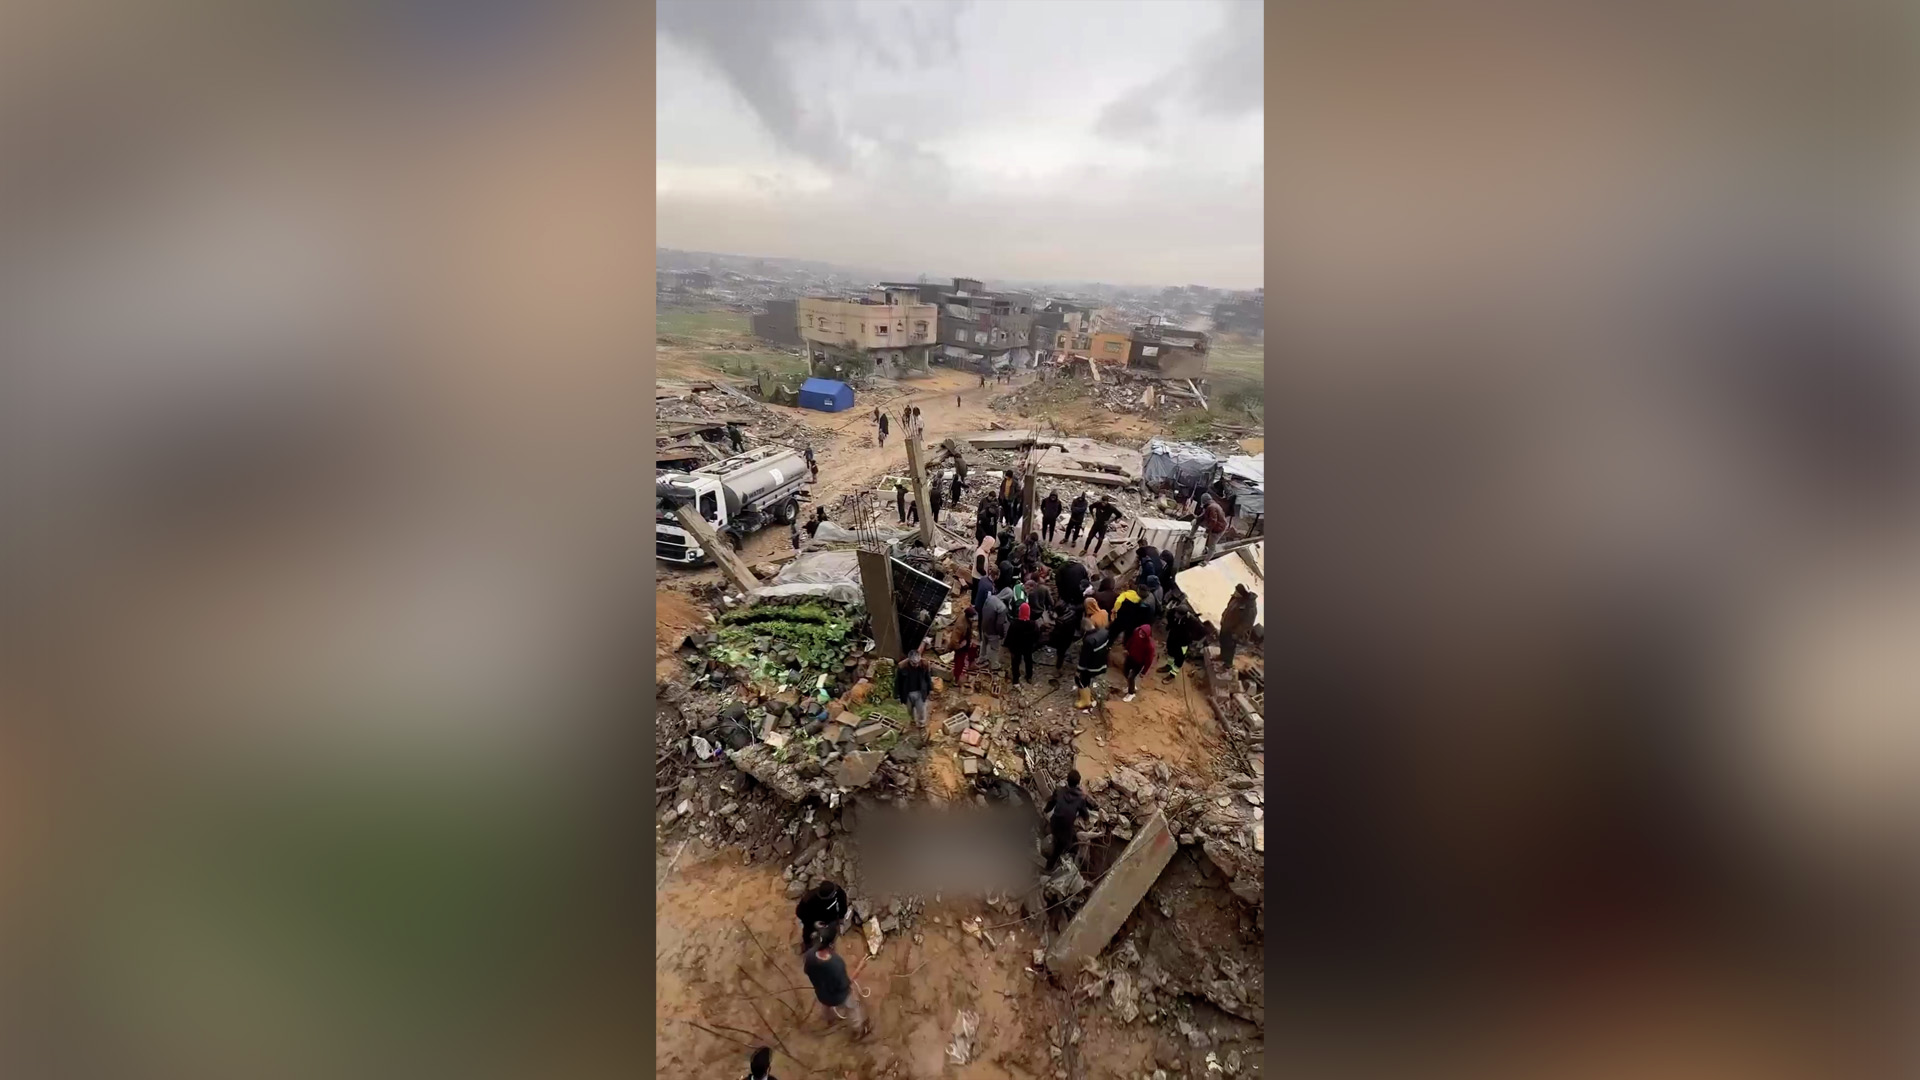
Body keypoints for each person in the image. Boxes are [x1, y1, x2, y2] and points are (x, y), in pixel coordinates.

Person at [803, 930, 867, 1037]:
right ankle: (858, 1031)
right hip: (840, 997)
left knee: (826, 1006)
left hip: (821, 994)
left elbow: (807, 971)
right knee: (853, 1009)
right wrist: (860, 967)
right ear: (831, 945)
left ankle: (829, 1020)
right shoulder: (836, 964)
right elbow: (846, 984)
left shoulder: (810, 955)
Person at [796, 879, 854, 952]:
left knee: (831, 931)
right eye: (833, 894)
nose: (835, 893)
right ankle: (808, 945)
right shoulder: (809, 899)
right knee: (808, 932)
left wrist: (841, 918)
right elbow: (800, 913)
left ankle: (827, 944)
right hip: (813, 918)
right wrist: (813, 924)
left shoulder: (838, 892)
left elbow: (842, 905)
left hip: (831, 918)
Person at [1219, 583, 1258, 666]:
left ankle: (1227, 664)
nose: (1235, 592)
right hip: (1226, 626)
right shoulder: (1236, 598)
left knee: (1229, 647)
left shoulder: (1250, 607)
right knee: (1223, 642)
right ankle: (1221, 656)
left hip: (1233, 631)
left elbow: (1246, 624)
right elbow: (1228, 608)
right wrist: (1223, 618)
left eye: (1237, 591)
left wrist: (1235, 633)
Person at [1075, 623, 1109, 710]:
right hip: (1103, 662)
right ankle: (1088, 693)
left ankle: (1085, 701)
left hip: (1092, 667)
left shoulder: (1089, 640)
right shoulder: (1104, 632)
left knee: (1080, 680)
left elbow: (1084, 659)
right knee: (1087, 679)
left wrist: (1078, 670)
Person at [895, 648, 933, 726]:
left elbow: (928, 678)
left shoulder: (925, 665)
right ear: (909, 660)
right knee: (909, 710)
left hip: (920, 692)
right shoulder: (902, 667)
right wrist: (897, 695)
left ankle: (921, 723)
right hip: (907, 692)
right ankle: (911, 721)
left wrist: (930, 689)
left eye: (917, 663)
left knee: (921, 709)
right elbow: (898, 682)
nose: (916, 665)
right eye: (913, 663)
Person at [1006, 602, 1040, 685]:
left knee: (1015, 663)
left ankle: (1015, 679)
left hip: (1016, 648)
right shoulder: (1033, 624)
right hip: (1028, 647)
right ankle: (1029, 676)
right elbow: (1037, 637)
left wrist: (1009, 647)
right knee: (1028, 661)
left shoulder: (1014, 624)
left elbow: (1009, 637)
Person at [1122, 622, 1156, 701]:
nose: (1141, 634)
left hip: (1139, 663)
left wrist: (1144, 671)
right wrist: (1127, 648)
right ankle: (1131, 685)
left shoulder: (1150, 646)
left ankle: (1131, 693)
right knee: (1125, 672)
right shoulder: (1136, 631)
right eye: (1141, 632)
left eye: (1143, 634)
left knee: (1131, 677)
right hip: (1130, 657)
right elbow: (1131, 640)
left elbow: (1149, 660)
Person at [980, 585, 1009, 672]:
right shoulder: (1002, 608)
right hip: (992, 631)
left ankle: (982, 658)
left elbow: (983, 609)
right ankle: (994, 665)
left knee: (983, 643)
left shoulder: (991, 598)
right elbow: (999, 624)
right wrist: (1001, 634)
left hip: (984, 626)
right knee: (995, 649)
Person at [948, 602, 977, 686]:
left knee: (973, 648)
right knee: (959, 662)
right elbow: (954, 640)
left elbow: (970, 628)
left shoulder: (967, 619)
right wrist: (959, 646)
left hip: (966, 639)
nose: (974, 619)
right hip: (960, 644)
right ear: (968, 617)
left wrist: (970, 639)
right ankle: (956, 679)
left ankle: (971, 664)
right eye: (972, 617)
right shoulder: (960, 625)